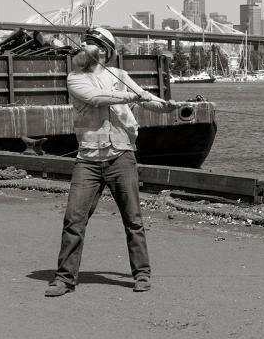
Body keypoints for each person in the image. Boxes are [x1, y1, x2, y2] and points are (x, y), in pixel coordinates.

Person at [45, 27, 179, 297]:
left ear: (104, 51)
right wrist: (133, 97)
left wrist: (166, 105)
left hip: (121, 154)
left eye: (90, 44)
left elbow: (146, 97)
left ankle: (142, 275)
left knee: (133, 219)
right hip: (88, 159)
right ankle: (64, 279)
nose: (83, 47)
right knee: (74, 219)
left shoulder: (120, 76)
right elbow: (97, 99)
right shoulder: (75, 78)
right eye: (83, 43)